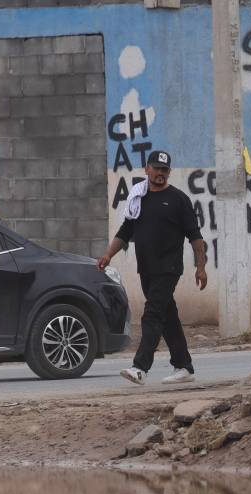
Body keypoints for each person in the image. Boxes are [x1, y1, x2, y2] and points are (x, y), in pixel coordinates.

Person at [98, 150, 207, 385]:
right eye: (156, 168)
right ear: (147, 169)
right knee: (168, 316)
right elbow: (126, 232)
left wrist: (201, 267)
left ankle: (140, 367)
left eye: (164, 170)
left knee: (153, 314)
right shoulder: (139, 198)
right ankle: (183, 366)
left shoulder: (178, 199)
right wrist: (108, 255)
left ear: (169, 172)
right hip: (146, 267)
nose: (160, 173)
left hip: (168, 268)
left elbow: (195, 237)